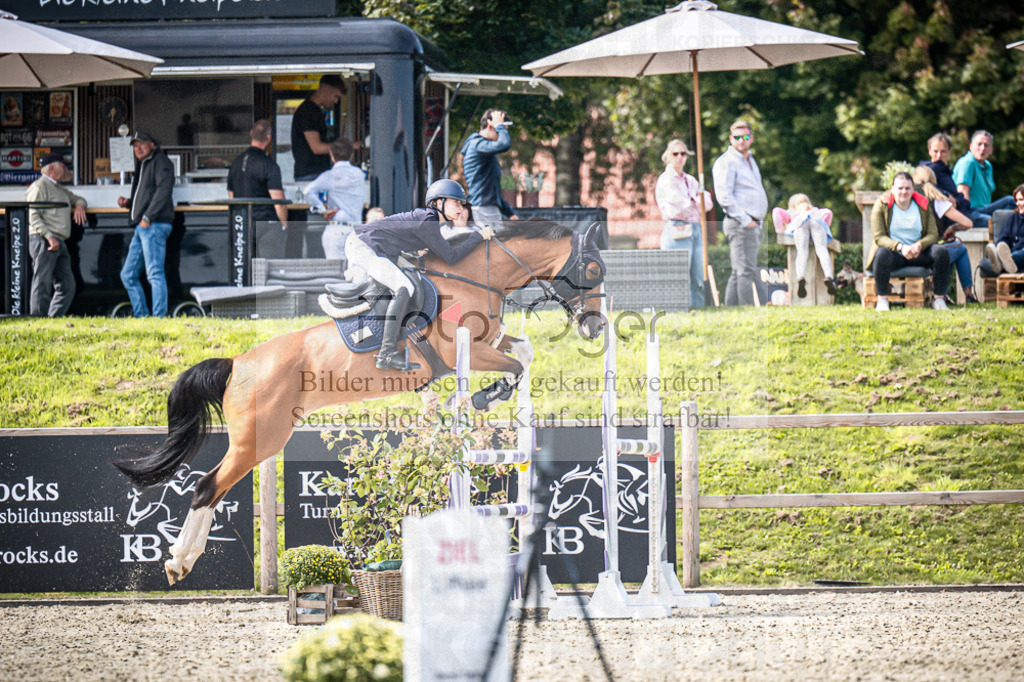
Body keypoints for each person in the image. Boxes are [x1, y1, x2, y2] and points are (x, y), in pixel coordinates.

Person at [345, 179, 492, 371]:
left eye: (461, 203)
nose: (460, 207)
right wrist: (478, 236)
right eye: (455, 202)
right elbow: (451, 257)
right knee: (405, 287)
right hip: (362, 245)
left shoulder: (429, 220)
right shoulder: (429, 221)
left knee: (413, 279)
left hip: (379, 247)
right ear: (439, 203)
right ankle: (387, 353)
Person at [868, 172, 950, 311]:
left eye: (907, 188)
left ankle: (939, 300)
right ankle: (882, 300)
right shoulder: (881, 205)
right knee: (881, 253)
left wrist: (919, 244)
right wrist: (900, 247)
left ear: (913, 189)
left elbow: (933, 234)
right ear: (892, 188)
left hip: (918, 253)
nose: (904, 192)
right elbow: (879, 237)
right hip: (895, 254)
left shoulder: (923, 204)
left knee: (941, 251)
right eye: (900, 188)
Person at [117, 132, 175, 318]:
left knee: (154, 273)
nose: (138, 148)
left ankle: (159, 318)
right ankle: (142, 316)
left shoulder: (161, 162)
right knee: (128, 275)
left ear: (152, 144)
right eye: (135, 146)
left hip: (154, 225)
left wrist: (148, 216)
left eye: (141, 144)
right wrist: (128, 203)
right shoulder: (144, 164)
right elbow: (148, 195)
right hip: (143, 226)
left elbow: (164, 190)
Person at [712, 120, 768, 306]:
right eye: (736, 137)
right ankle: (747, 311)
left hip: (752, 222)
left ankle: (730, 310)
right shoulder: (726, 162)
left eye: (744, 137)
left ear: (751, 138)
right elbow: (724, 197)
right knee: (744, 272)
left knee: (740, 271)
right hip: (740, 223)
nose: (741, 141)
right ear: (730, 139)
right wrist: (746, 220)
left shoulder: (750, 160)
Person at [25, 153, 87, 317]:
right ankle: (38, 321)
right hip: (44, 240)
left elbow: (78, 199)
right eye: (63, 165)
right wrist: (49, 236)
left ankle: (52, 319)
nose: (66, 169)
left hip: (59, 241)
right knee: (42, 282)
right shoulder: (39, 187)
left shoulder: (59, 189)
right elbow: (32, 216)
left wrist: (80, 206)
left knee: (67, 285)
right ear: (52, 167)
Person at [655, 138, 712, 308]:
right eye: (676, 153)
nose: (680, 157)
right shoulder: (665, 179)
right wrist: (696, 202)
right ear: (668, 156)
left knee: (698, 273)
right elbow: (678, 205)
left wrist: (694, 202)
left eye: (683, 153)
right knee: (677, 274)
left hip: (695, 228)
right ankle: (677, 311)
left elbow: (707, 202)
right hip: (677, 228)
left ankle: (698, 310)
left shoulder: (691, 180)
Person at [911, 165, 977, 302]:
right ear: (934, 180)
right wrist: (953, 229)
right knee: (960, 248)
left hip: (908, 250)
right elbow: (968, 223)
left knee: (947, 250)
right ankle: (968, 294)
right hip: (928, 252)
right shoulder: (937, 200)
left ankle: (945, 295)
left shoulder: (906, 199)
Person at [227, 119, 288, 258]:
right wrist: (284, 225)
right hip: (267, 223)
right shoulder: (268, 164)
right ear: (269, 138)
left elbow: (231, 197)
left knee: (245, 271)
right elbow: (278, 201)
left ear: (251, 134)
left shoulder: (236, 164)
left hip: (243, 224)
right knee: (271, 270)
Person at [302, 137, 365, 260]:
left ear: (331, 154)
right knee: (357, 274)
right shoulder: (360, 175)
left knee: (335, 274)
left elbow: (308, 191)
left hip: (337, 229)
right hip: (357, 230)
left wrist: (322, 210)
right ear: (351, 155)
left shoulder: (330, 176)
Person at [771, 194, 836, 299]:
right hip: (816, 221)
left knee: (802, 252)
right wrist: (824, 227)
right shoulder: (815, 211)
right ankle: (829, 277)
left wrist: (781, 232)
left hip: (799, 223)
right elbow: (828, 213)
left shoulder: (793, 212)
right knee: (822, 250)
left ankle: (800, 276)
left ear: (792, 205)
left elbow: (776, 212)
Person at [460, 109, 516, 228]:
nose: (503, 133)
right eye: (501, 130)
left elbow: (491, 189)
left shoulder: (484, 149)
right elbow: (504, 144)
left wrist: (509, 213)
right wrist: (500, 125)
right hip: (483, 209)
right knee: (495, 246)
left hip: (485, 207)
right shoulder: (478, 145)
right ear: (491, 126)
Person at [952, 130, 1016, 227]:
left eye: (986, 145)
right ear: (970, 146)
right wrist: (965, 220)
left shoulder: (988, 166)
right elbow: (962, 195)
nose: (982, 148)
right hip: (970, 213)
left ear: (991, 150)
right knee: (1009, 201)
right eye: (979, 144)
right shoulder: (967, 163)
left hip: (984, 211)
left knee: (1013, 207)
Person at [291, 74, 344, 182]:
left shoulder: (313, 110)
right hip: (311, 175)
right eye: (335, 96)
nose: (336, 102)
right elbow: (317, 147)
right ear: (325, 89)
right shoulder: (308, 111)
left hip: (313, 174)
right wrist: (346, 147)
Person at [921, 132, 970, 214]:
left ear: (949, 152)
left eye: (943, 151)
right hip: (955, 217)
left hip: (964, 212)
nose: (939, 155)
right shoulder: (930, 169)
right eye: (935, 151)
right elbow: (921, 184)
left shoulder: (946, 170)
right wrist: (946, 194)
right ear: (929, 151)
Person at [985, 183, 1024, 275]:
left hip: (1020, 255)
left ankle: (1003, 263)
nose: (1018, 203)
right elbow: (1003, 239)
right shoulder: (1012, 219)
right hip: (1012, 253)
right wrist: (1002, 246)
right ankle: (1007, 264)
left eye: (1021, 200)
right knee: (984, 263)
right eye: (1016, 200)